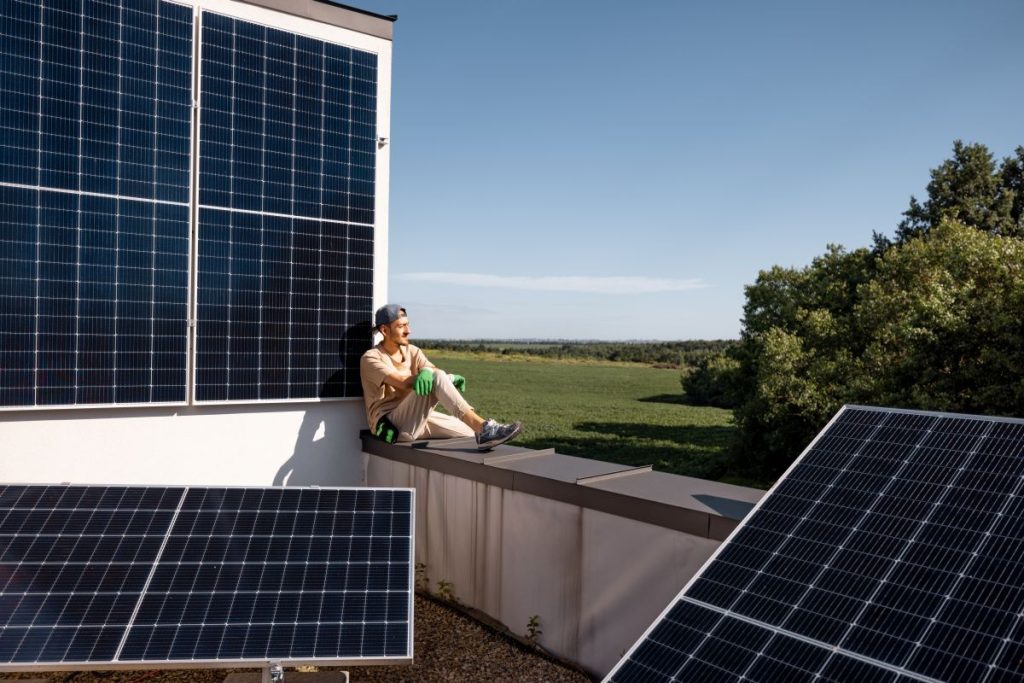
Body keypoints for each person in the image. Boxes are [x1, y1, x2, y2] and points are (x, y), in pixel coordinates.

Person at [360, 304, 523, 450]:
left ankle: (481, 432)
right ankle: (484, 428)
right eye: (401, 326)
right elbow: (402, 382)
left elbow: (432, 369)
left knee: (467, 430)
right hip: (392, 425)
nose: (408, 331)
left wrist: (446, 377)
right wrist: (432, 375)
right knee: (436, 376)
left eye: (408, 325)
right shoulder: (371, 358)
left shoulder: (413, 351)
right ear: (384, 330)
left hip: (416, 419)